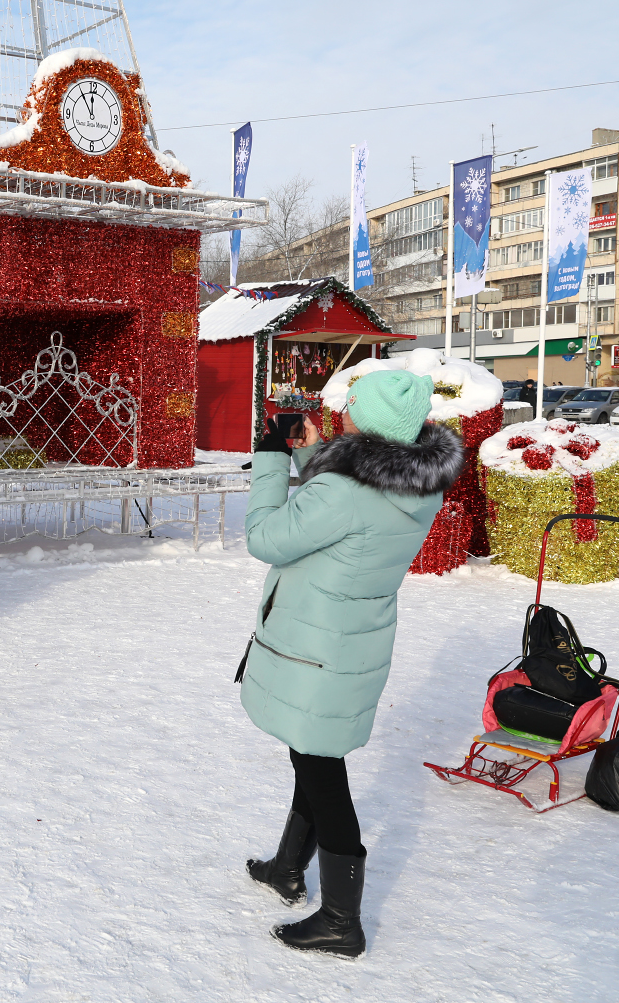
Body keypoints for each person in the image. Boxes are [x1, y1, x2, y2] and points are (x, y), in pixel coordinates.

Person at [240, 370, 464, 958]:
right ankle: (289, 869)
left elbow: (268, 536)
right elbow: (351, 506)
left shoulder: (344, 492)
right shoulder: (417, 483)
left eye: (351, 407)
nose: (341, 412)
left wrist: (270, 458)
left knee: (320, 770)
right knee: (309, 751)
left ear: (369, 422)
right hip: (348, 642)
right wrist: (314, 453)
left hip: (316, 648)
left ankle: (342, 920)